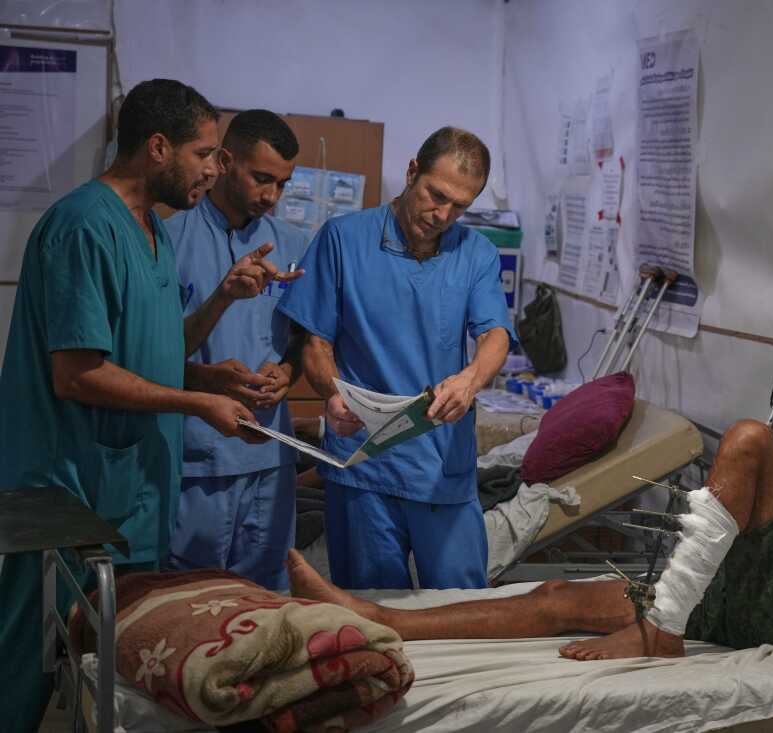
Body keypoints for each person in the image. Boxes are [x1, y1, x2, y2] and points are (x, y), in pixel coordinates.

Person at [285, 290, 773, 661]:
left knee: (750, 438)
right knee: (554, 595)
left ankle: (658, 632)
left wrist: (762, 500)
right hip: (738, 582)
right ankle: (375, 614)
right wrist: (762, 516)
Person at [0, 79, 300, 731]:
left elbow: (150, 352)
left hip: (126, 493)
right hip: (64, 492)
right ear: (158, 148)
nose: (216, 168)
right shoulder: (85, 226)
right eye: (206, 154)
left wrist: (211, 363)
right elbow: (79, 373)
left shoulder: (153, 233)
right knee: (25, 661)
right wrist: (195, 401)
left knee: (106, 672)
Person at [278, 127, 515, 590]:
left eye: (459, 207)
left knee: (463, 612)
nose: (443, 215)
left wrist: (470, 380)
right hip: (365, 465)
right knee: (373, 616)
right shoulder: (343, 240)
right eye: (435, 195)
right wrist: (333, 392)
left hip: (441, 467)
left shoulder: (476, 254)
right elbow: (315, 343)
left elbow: (495, 335)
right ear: (411, 172)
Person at [165, 110, 310, 590]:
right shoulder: (169, 240)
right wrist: (222, 298)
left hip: (271, 457)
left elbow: (305, 337)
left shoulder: (292, 246)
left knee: (268, 605)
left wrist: (290, 371)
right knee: (190, 600)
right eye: (262, 178)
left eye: (282, 184)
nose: (272, 196)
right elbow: (149, 358)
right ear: (225, 161)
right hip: (198, 461)